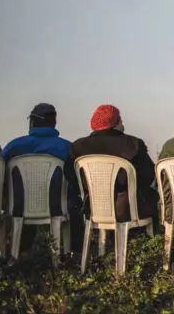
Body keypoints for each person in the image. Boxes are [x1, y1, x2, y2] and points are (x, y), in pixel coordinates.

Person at [65, 104, 159, 252]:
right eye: (121, 120)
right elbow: (148, 177)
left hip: (93, 208)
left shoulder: (77, 147)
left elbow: (70, 176)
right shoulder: (133, 144)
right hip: (126, 210)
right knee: (152, 197)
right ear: (115, 123)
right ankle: (146, 250)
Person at [0, 103, 73, 254]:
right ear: (54, 123)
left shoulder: (14, 146)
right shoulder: (67, 147)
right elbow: (75, 181)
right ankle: (67, 251)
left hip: (19, 206)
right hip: (57, 206)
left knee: (22, 195)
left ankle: (19, 250)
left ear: (32, 122)